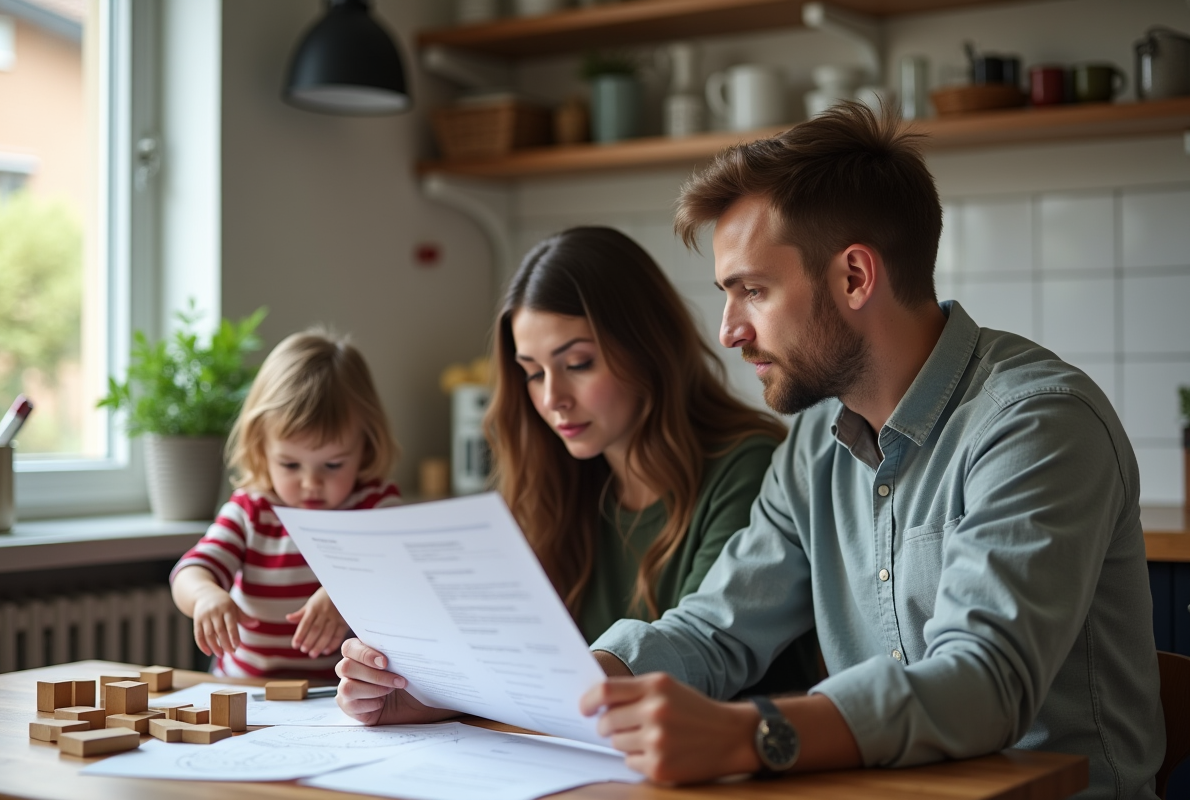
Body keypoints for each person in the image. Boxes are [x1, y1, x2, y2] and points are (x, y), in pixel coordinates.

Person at [572, 103, 1163, 797]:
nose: (730, 331)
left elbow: (985, 683)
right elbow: (715, 630)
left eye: (753, 291)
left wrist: (747, 734)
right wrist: (545, 686)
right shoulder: (812, 451)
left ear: (854, 277)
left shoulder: (1036, 426)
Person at [334, 226, 820, 726]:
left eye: (578, 363)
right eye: (534, 372)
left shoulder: (750, 466)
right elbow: (508, 659)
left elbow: (703, 651)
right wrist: (423, 691)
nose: (552, 398)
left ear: (646, 345)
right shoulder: (555, 480)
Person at [171, 328, 401, 679]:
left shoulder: (375, 508)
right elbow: (190, 571)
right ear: (262, 448)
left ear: (366, 446)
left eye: (333, 464)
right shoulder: (251, 510)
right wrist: (205, 596)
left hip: (335, 699)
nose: (311, 483)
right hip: (244, 692)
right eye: (290, 465)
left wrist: (344, 595)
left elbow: (401, 576)